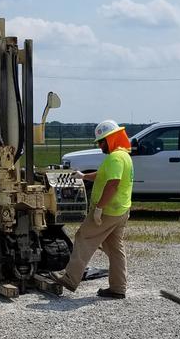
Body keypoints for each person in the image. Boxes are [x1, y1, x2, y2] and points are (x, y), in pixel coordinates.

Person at [50, 119, 134, 299]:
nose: (100, 145)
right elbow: (104, 175)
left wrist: (99, 209)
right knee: (115, 248)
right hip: (121, 210)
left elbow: (112, 184)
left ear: (110, 139)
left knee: (83, 237)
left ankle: (70, 279)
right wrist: (84, 176)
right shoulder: (123, 156)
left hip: (108, 211)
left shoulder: (115, 158)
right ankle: (118, 287)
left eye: (102, 141)